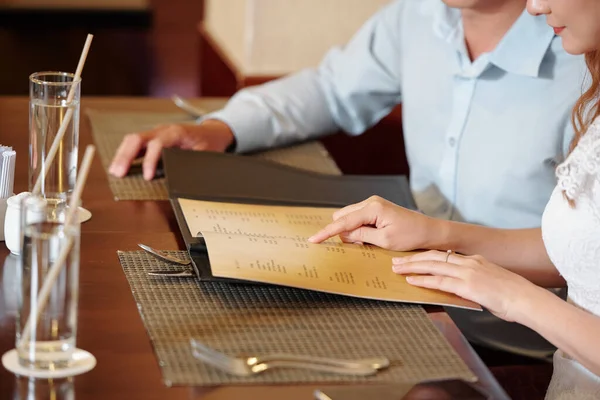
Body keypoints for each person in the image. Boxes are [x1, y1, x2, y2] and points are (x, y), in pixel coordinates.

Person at [109, 0, 585, 360]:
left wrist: (450, 247)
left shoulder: (580, 54)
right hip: (400, 286)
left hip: (518, 330)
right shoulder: (416, 15)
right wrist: (222, 127)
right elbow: (332, 88)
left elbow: (579, 251)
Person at [309, 0, 600, 397]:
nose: (533, 6)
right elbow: (579, 252)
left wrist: (514, 295)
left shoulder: (572, 71)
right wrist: (435, 232)